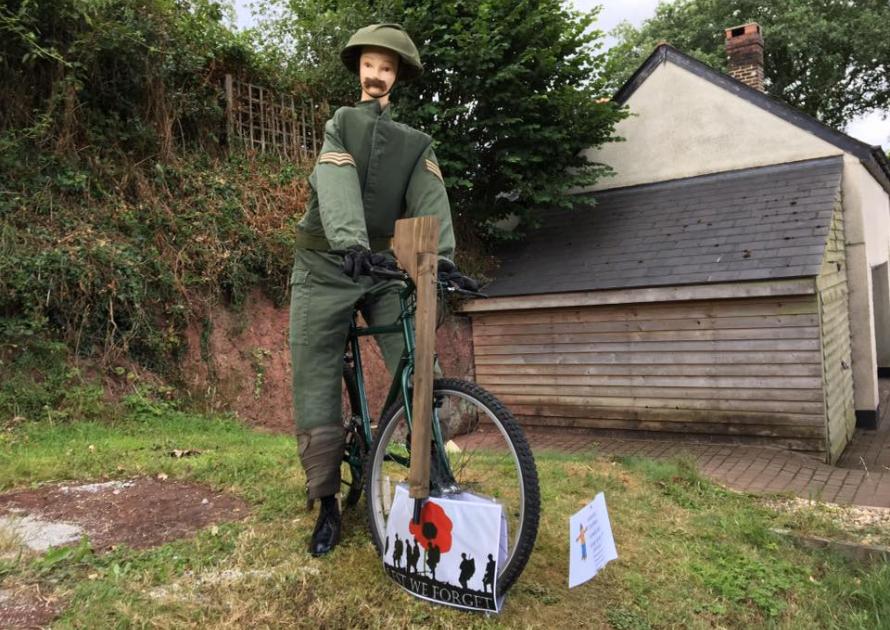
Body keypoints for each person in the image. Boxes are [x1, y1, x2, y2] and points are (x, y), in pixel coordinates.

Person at [289, 23, 475, 557]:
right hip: (326, 262)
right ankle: (326, 501)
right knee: (315, 369)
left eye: (387, 67)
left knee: (415, 355)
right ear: (359, 69)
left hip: (378, 264)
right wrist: (348, 241)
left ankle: (432, 467)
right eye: (370, 64)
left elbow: (429, 194)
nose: (377, 74)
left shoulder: (416, 144)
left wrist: (441, 261)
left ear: (398, 77)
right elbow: (337, 182)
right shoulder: (339, 126)